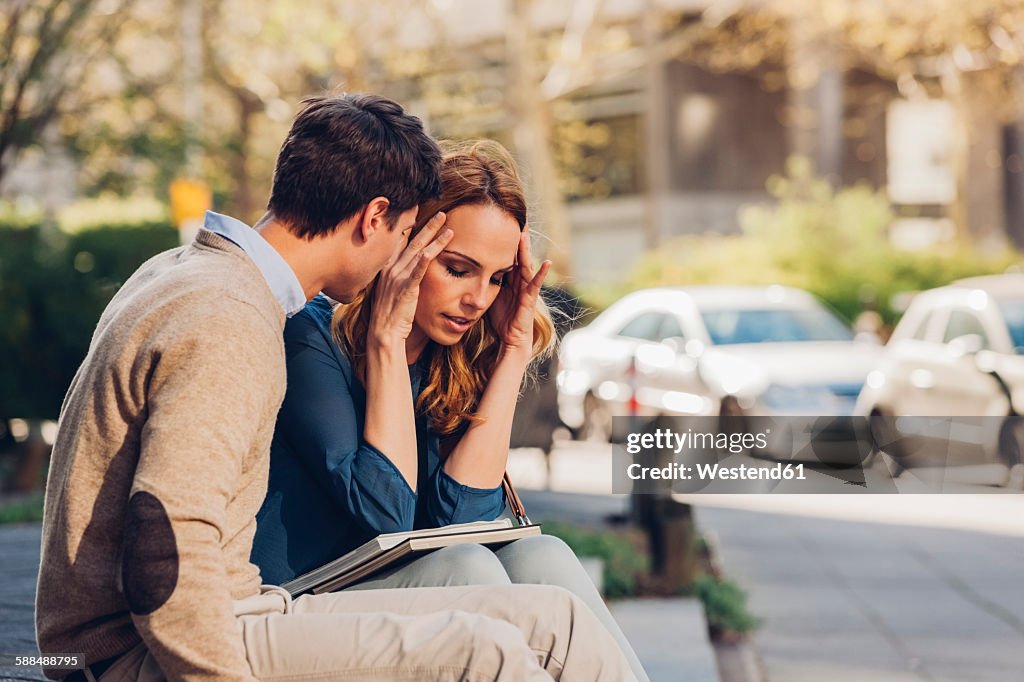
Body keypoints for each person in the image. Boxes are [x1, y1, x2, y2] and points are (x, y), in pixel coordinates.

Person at [36, 95, 636, 682]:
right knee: (490, 652)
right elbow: (167, 543)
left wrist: (507, 350)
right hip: (139, 652)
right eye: (405, 233)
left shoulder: (194, 274)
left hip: (229, 615)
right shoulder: (231, 318)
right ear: (375, 218)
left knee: (557, 619)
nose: (400, 255)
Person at [251, 140, 649, 681]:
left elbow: (464, 522)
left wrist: (512, 352)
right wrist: (387, 341)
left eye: (497, 278)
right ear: (407, 247)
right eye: (459, 269)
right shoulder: (310, 335)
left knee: (544, 558)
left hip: (402, 585)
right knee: (466, 567)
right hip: (300, 600)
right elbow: (384, 516)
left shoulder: (453, 358)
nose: (479, 299)